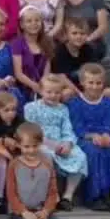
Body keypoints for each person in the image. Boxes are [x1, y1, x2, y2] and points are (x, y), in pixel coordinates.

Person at [67, 63, 110, 212]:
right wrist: (92, 136)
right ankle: (94, 196)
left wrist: (106, 135)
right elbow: (77, 127)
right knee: (94, 152)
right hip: (85, 138)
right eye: (91, 83)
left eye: (98, 83)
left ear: (103, 83)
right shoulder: (75, 103)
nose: (95, 87)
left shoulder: (109, 102)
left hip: (104, 136)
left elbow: (109, 122)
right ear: (82, 83)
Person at [23, 75, 89, 210]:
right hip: (39, 143)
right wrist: (51, 144)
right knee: (46, 154)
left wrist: (68, 143)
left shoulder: (63, 109)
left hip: (60, 142)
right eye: (49, 92)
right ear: (41, 91)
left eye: (57, 92)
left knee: (80, 155)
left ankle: (67, 196)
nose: (53, 96)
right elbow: (31, 130)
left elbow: (67, 129)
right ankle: (52, 195)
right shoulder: (31, 107)